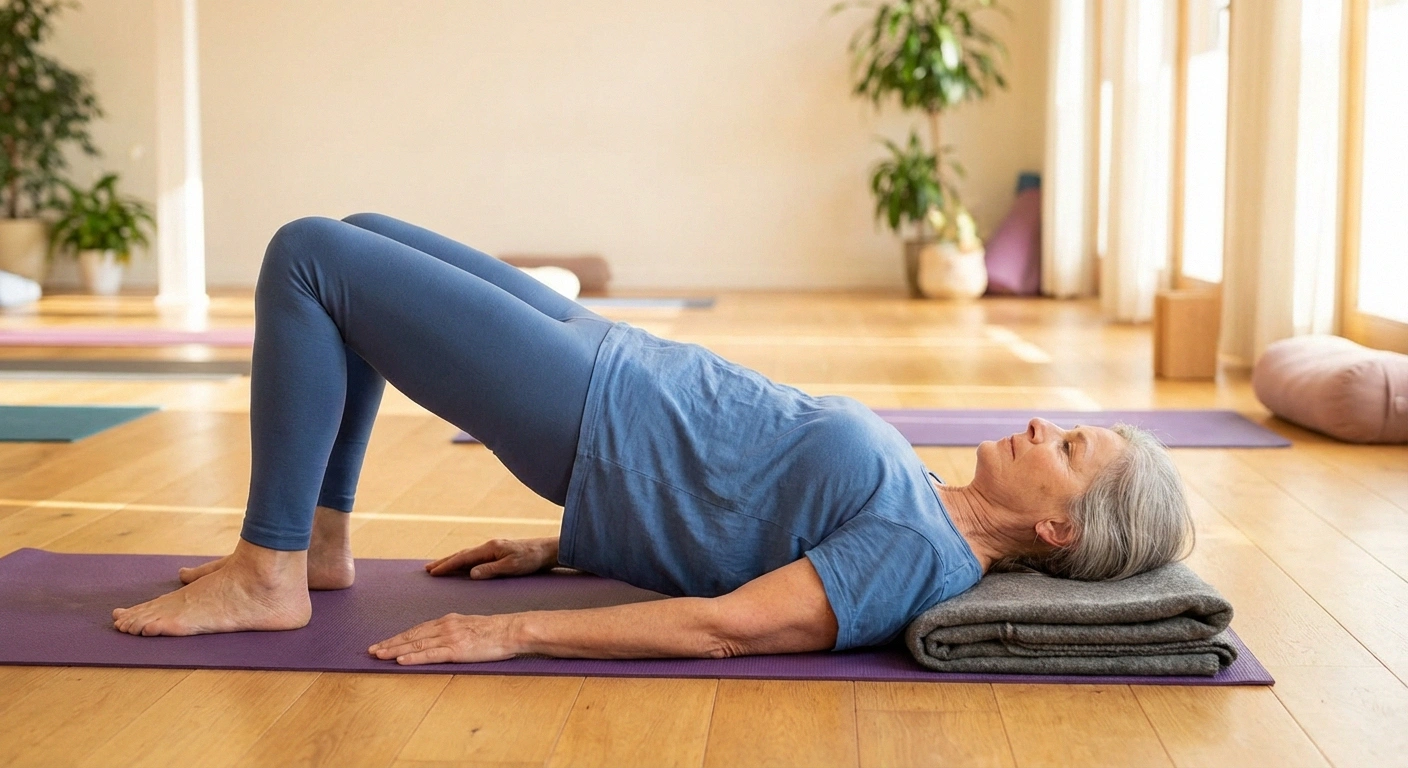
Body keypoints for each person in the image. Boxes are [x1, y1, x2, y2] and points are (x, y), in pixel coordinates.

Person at [111, 214, 1194, 665]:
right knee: (361, 235)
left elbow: (728, 622)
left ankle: (269, 570)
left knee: (308, 255)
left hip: (593, 418)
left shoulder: (920, 556)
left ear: (1055, 525)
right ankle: (320, 543)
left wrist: (513, 634)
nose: (1044, 425)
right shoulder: (932, 506)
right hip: (616, 364)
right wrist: (562, 553)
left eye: (1069, 447)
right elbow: (741, 527)